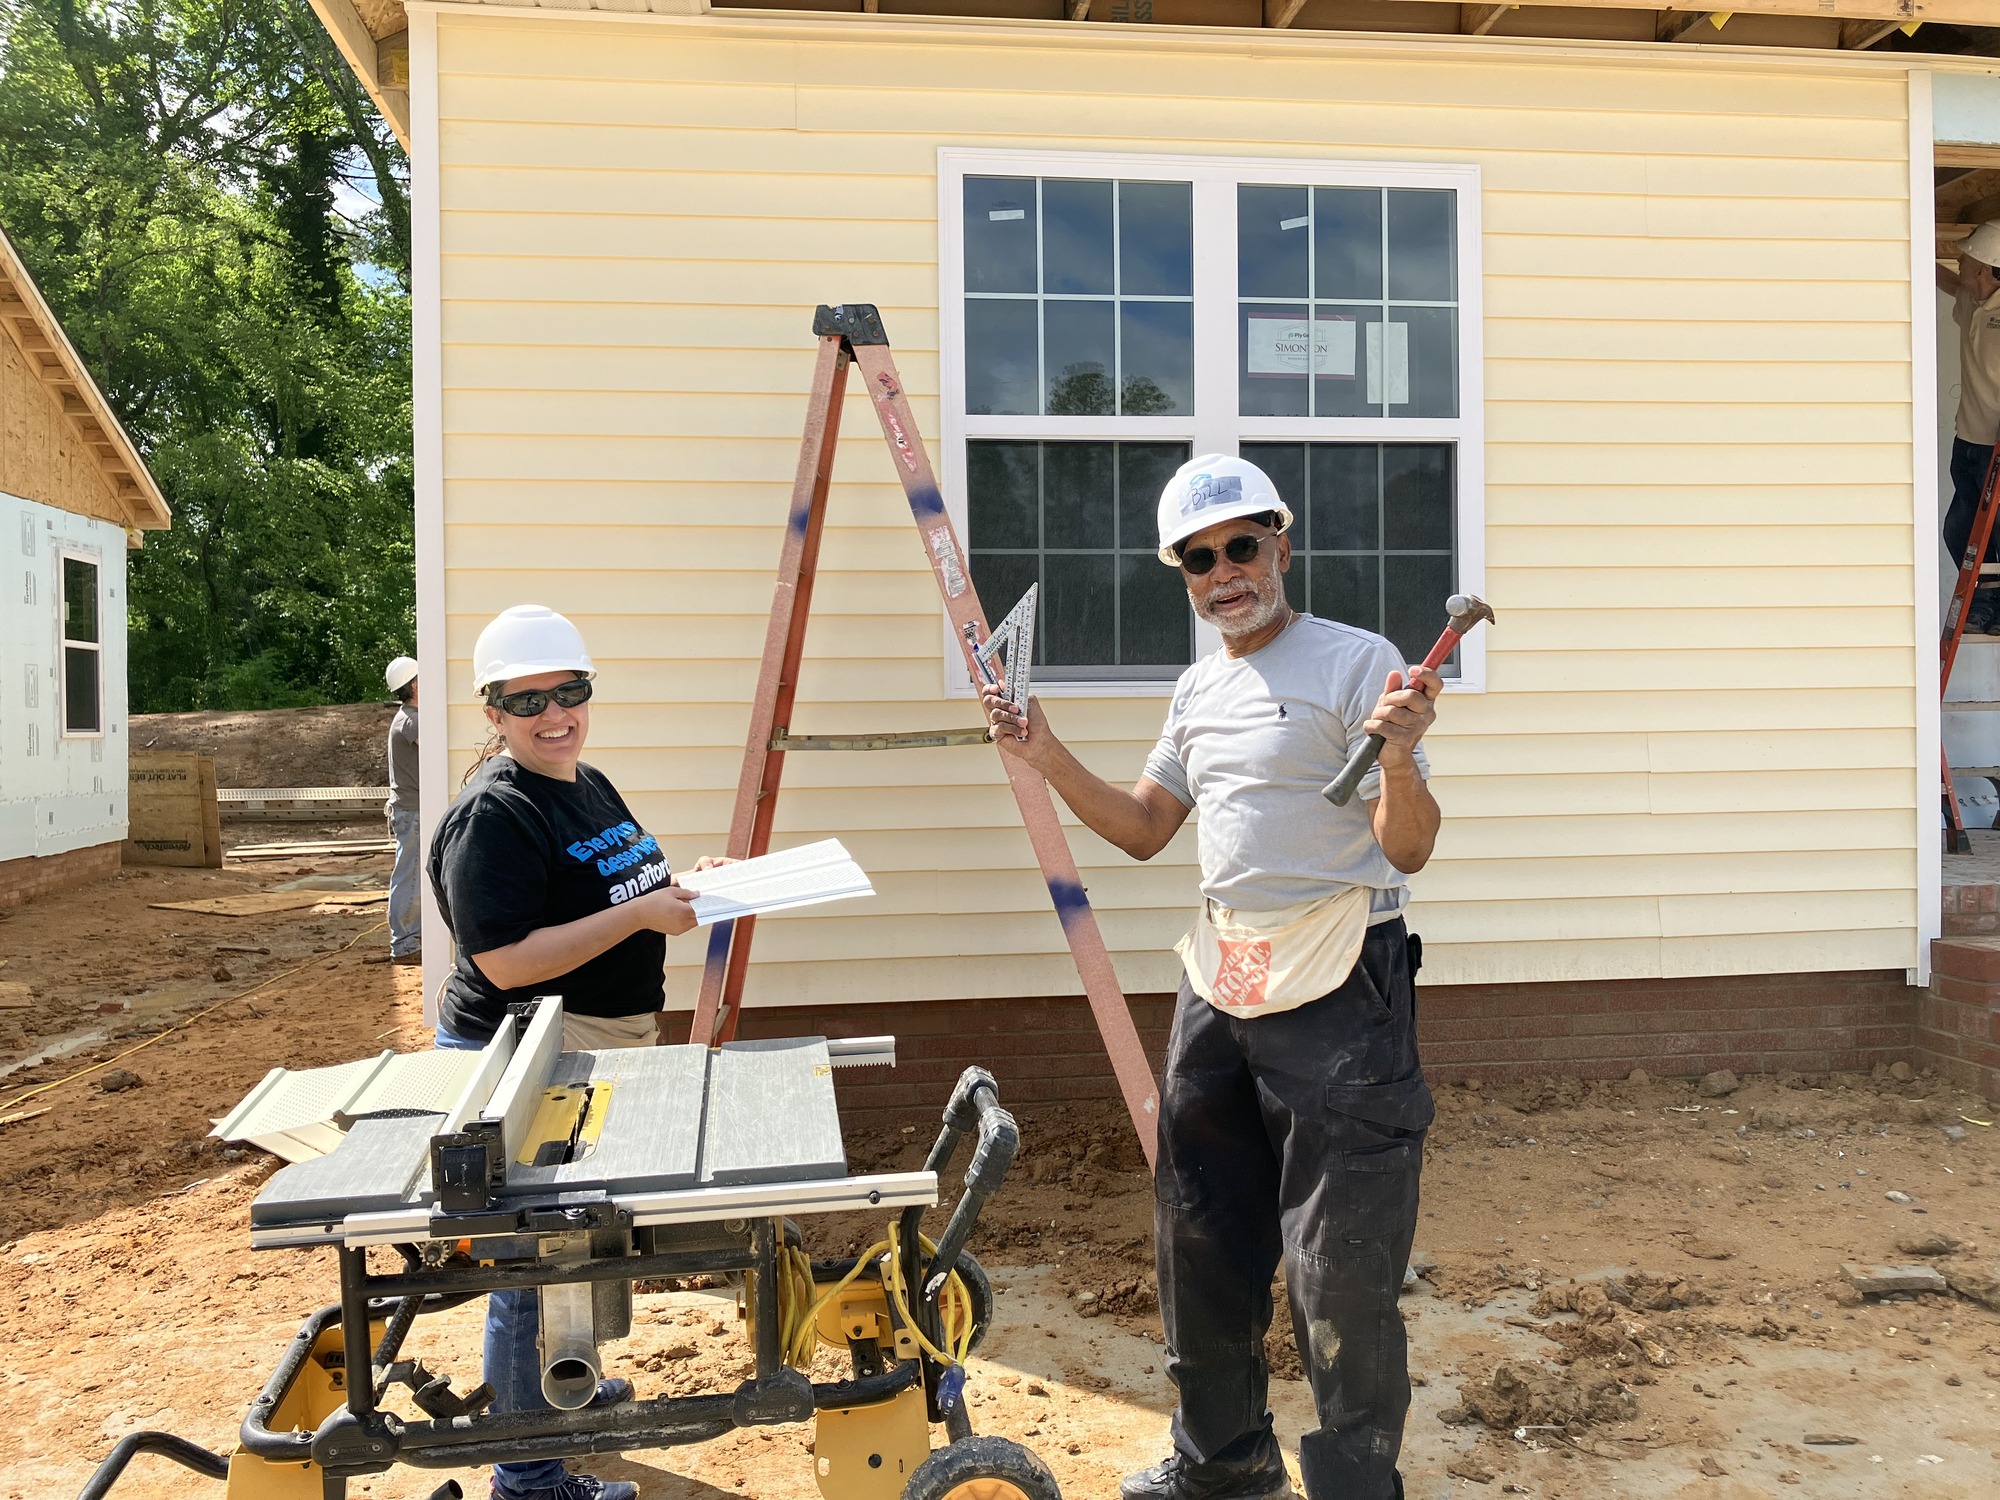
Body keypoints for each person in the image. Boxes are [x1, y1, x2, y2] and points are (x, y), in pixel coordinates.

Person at [980, 455, 1443, 1500]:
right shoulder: (1197, 689)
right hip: (1222, 976)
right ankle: (1223, 1464)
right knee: (1198, 1232)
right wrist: (1046, 752)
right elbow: (1147, 827)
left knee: (1339, 1263)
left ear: (1281, 547)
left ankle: (1353, 1484)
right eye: (1199, 558)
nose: (1224, 571)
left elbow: (1406, 849)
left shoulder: (1357, 663)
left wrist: (1397, 759)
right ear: (1183, 576)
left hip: (1342, 980)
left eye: (1241, 547)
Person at [429, 603, 723, 1500]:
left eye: (570, 692)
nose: (554, 714)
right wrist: (640, 916)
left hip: (595, 1046)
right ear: (493, 713)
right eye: (528, 702)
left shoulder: (584, 781)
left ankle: (567, 1386)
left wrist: (682, 888)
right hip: (523, 1055)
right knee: (531, 1269)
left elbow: (615, 886)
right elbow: (504, 960)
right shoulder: (495, 815)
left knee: (575, 1247)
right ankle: (527, 1479)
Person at [1941, 221, 2000, 633]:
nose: (1958, 261)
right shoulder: (1972, 301)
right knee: (1959, 532)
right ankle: (1982, 604)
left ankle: (1992, 608)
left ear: (1983, 267)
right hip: (1967, 443)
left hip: (1996, 448)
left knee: (1996, 537)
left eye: (1965, 257)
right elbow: (1947, 282)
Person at [384, 656, 423, 965]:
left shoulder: (407, 717)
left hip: (410, 810)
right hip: (413, 812)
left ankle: (410, 939)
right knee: (409, 877)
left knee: (411, 875)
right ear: (415, 686)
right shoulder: (413, 721)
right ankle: (406, 945)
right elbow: (437, 747)